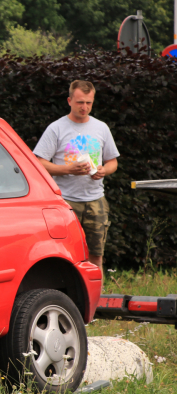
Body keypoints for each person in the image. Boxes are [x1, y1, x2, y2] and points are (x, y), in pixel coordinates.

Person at [33, 80, 119, 272]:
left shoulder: (101, 128)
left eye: (89, 102)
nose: (84, 107)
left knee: (96, 255)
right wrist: (68, 169)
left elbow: (113, 162)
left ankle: (95, 299)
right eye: (80, 102)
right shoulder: (56, 128)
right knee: (64, 255)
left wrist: (105, 170)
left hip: (96, 200)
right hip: (65, 202)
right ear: (69, 101)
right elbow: (38, 162)